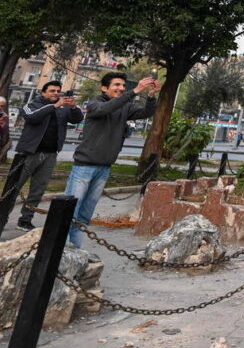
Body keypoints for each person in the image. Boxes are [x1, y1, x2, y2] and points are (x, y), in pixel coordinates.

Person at [66, 72, 159, 248]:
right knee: (70, 211)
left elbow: (145, 112)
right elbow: (105, 109)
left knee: (85, 214)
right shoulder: (95, 103)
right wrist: (133, 92)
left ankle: (74, 249)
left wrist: (151, 96)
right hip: (84, 166)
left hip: (104, 167)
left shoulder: (124, 106)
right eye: (116, 85)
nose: (121, 88)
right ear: (104, 88)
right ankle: (60, 251)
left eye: (123, 86)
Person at [0, 82, 84, 236]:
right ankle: (2, 218)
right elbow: (31, 117)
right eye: (52, 91)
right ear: (43, 92)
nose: (56, 93)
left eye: (58, 91)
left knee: (38, 190)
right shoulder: (32, 104)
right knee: (13, 187)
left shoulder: (63, 108)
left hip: (50, 154)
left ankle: (25, 219)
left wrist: (73, 107)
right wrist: (55, 106)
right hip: (29, 153)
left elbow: (78, 119)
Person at [0, 96, 9, 165]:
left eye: (2, 106)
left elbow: (4, 132)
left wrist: (3, 126)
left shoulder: (4, 116)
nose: (0, 107)